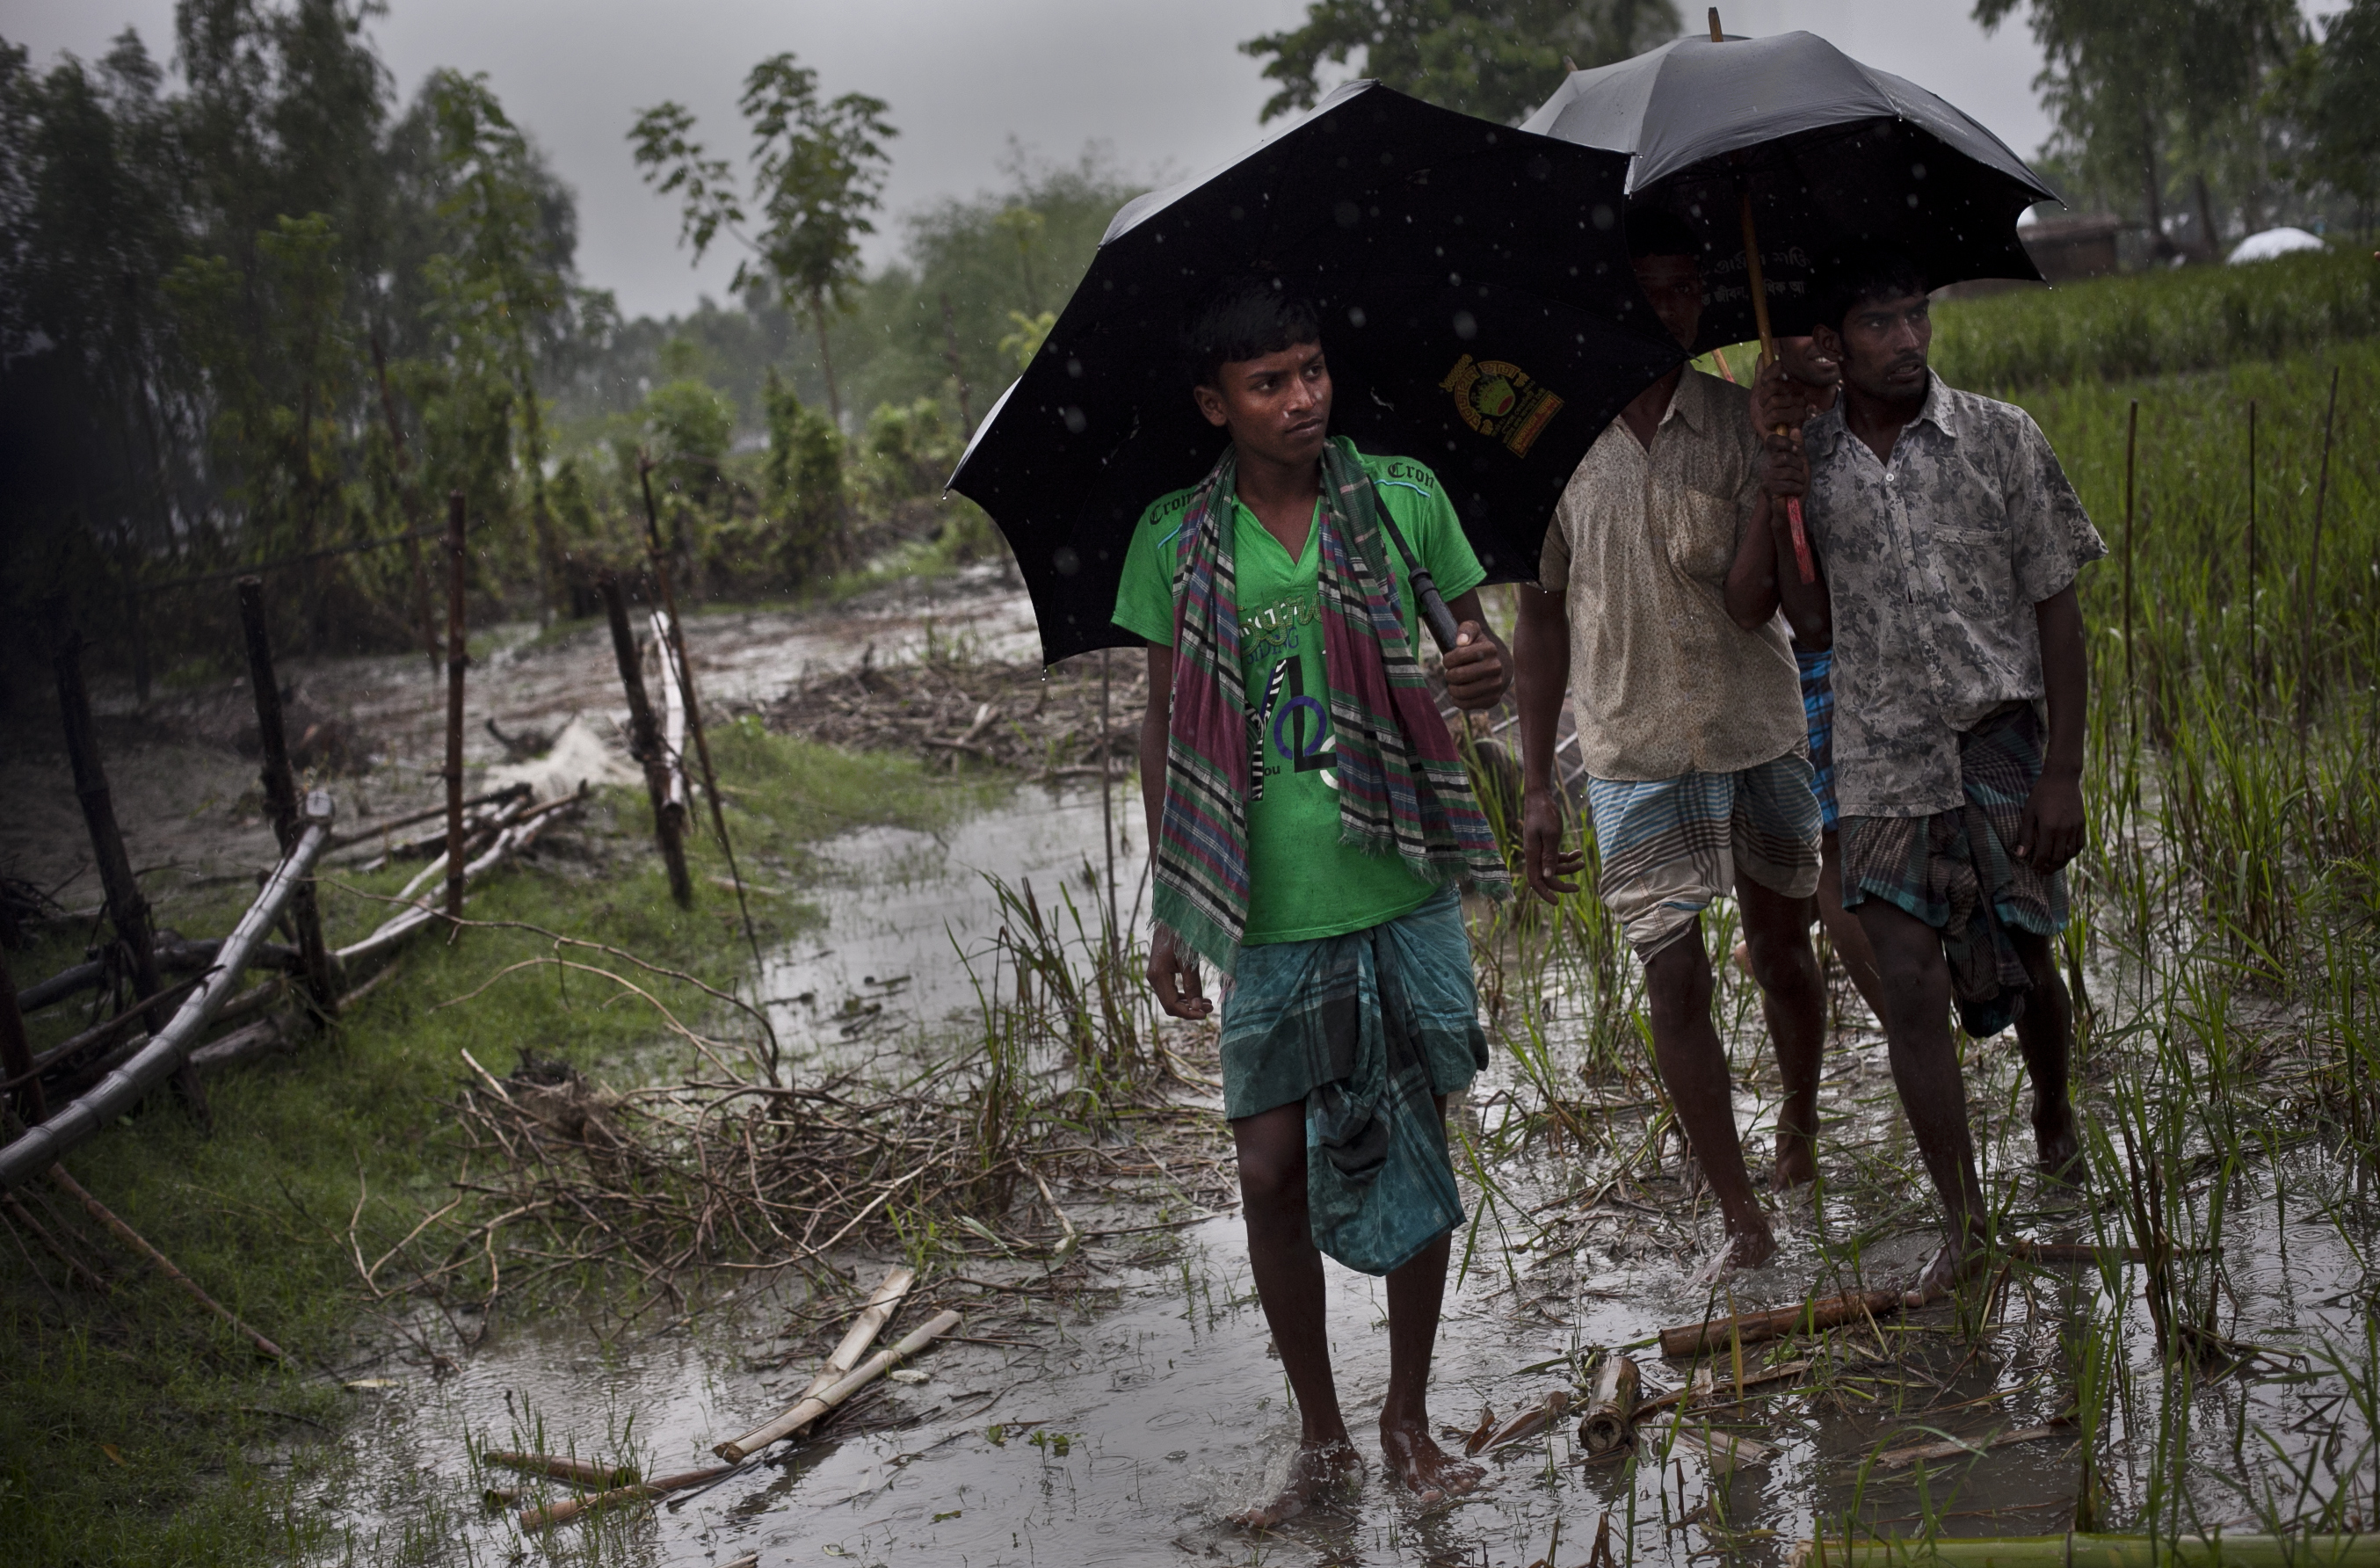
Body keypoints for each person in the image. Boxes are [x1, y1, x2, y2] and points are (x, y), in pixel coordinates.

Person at [1113, 277, 1513, 1527]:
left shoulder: (1397, 500)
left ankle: (1407, 1415)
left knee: (1416, 1135)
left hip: (1397, 879)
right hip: (1263, 896)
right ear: (1213, 403)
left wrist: (1483, 669)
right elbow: (1162, 722)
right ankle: (1323, 1435)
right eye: (1269, 383)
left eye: (1312, 371)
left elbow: (1477, 665)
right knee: (1270, 1166)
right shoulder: (1175, 538)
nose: (1302, 400)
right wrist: (1174, 900)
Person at [1768, 248, 2101, 1303]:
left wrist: (2061, 771)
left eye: (1915, 315)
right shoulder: (1807, 463)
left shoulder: (1998, 436)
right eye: (1876, 321)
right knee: (1907, 984)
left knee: (2028, 955)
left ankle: (2050, 1111)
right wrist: (1774, 501)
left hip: (1995, 740)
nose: (1905, 338)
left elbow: (2055, 602)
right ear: (1832, 340)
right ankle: (1964, 1222)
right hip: (1873, 757)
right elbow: (1807, 623)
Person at [1512, 210, 1831, 1274]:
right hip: (1629, 750)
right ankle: (1739, 1208)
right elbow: (1541, 615)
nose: (1667, 309)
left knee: (1784, 953)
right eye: (1645, 290)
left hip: (1755, 730)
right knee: (1672, 978)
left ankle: (1796, 1121)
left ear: (1706, 300)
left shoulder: (1748, 424)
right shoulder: (1554, 446)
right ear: (1612, 300)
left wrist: (1777, 481)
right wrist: (1536, 782)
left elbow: (1756, 603)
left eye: (1684, 290)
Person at [1728, 338, 1890, 1027]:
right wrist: (1772, 467)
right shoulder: (1752, 424)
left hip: (1884, 650)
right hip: (1803, 664)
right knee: (1831, 854)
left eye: (1835, 328)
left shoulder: (1875, 405)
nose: (1823, 343)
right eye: (1803, 331)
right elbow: (1745, 599)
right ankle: (1905, 1028)